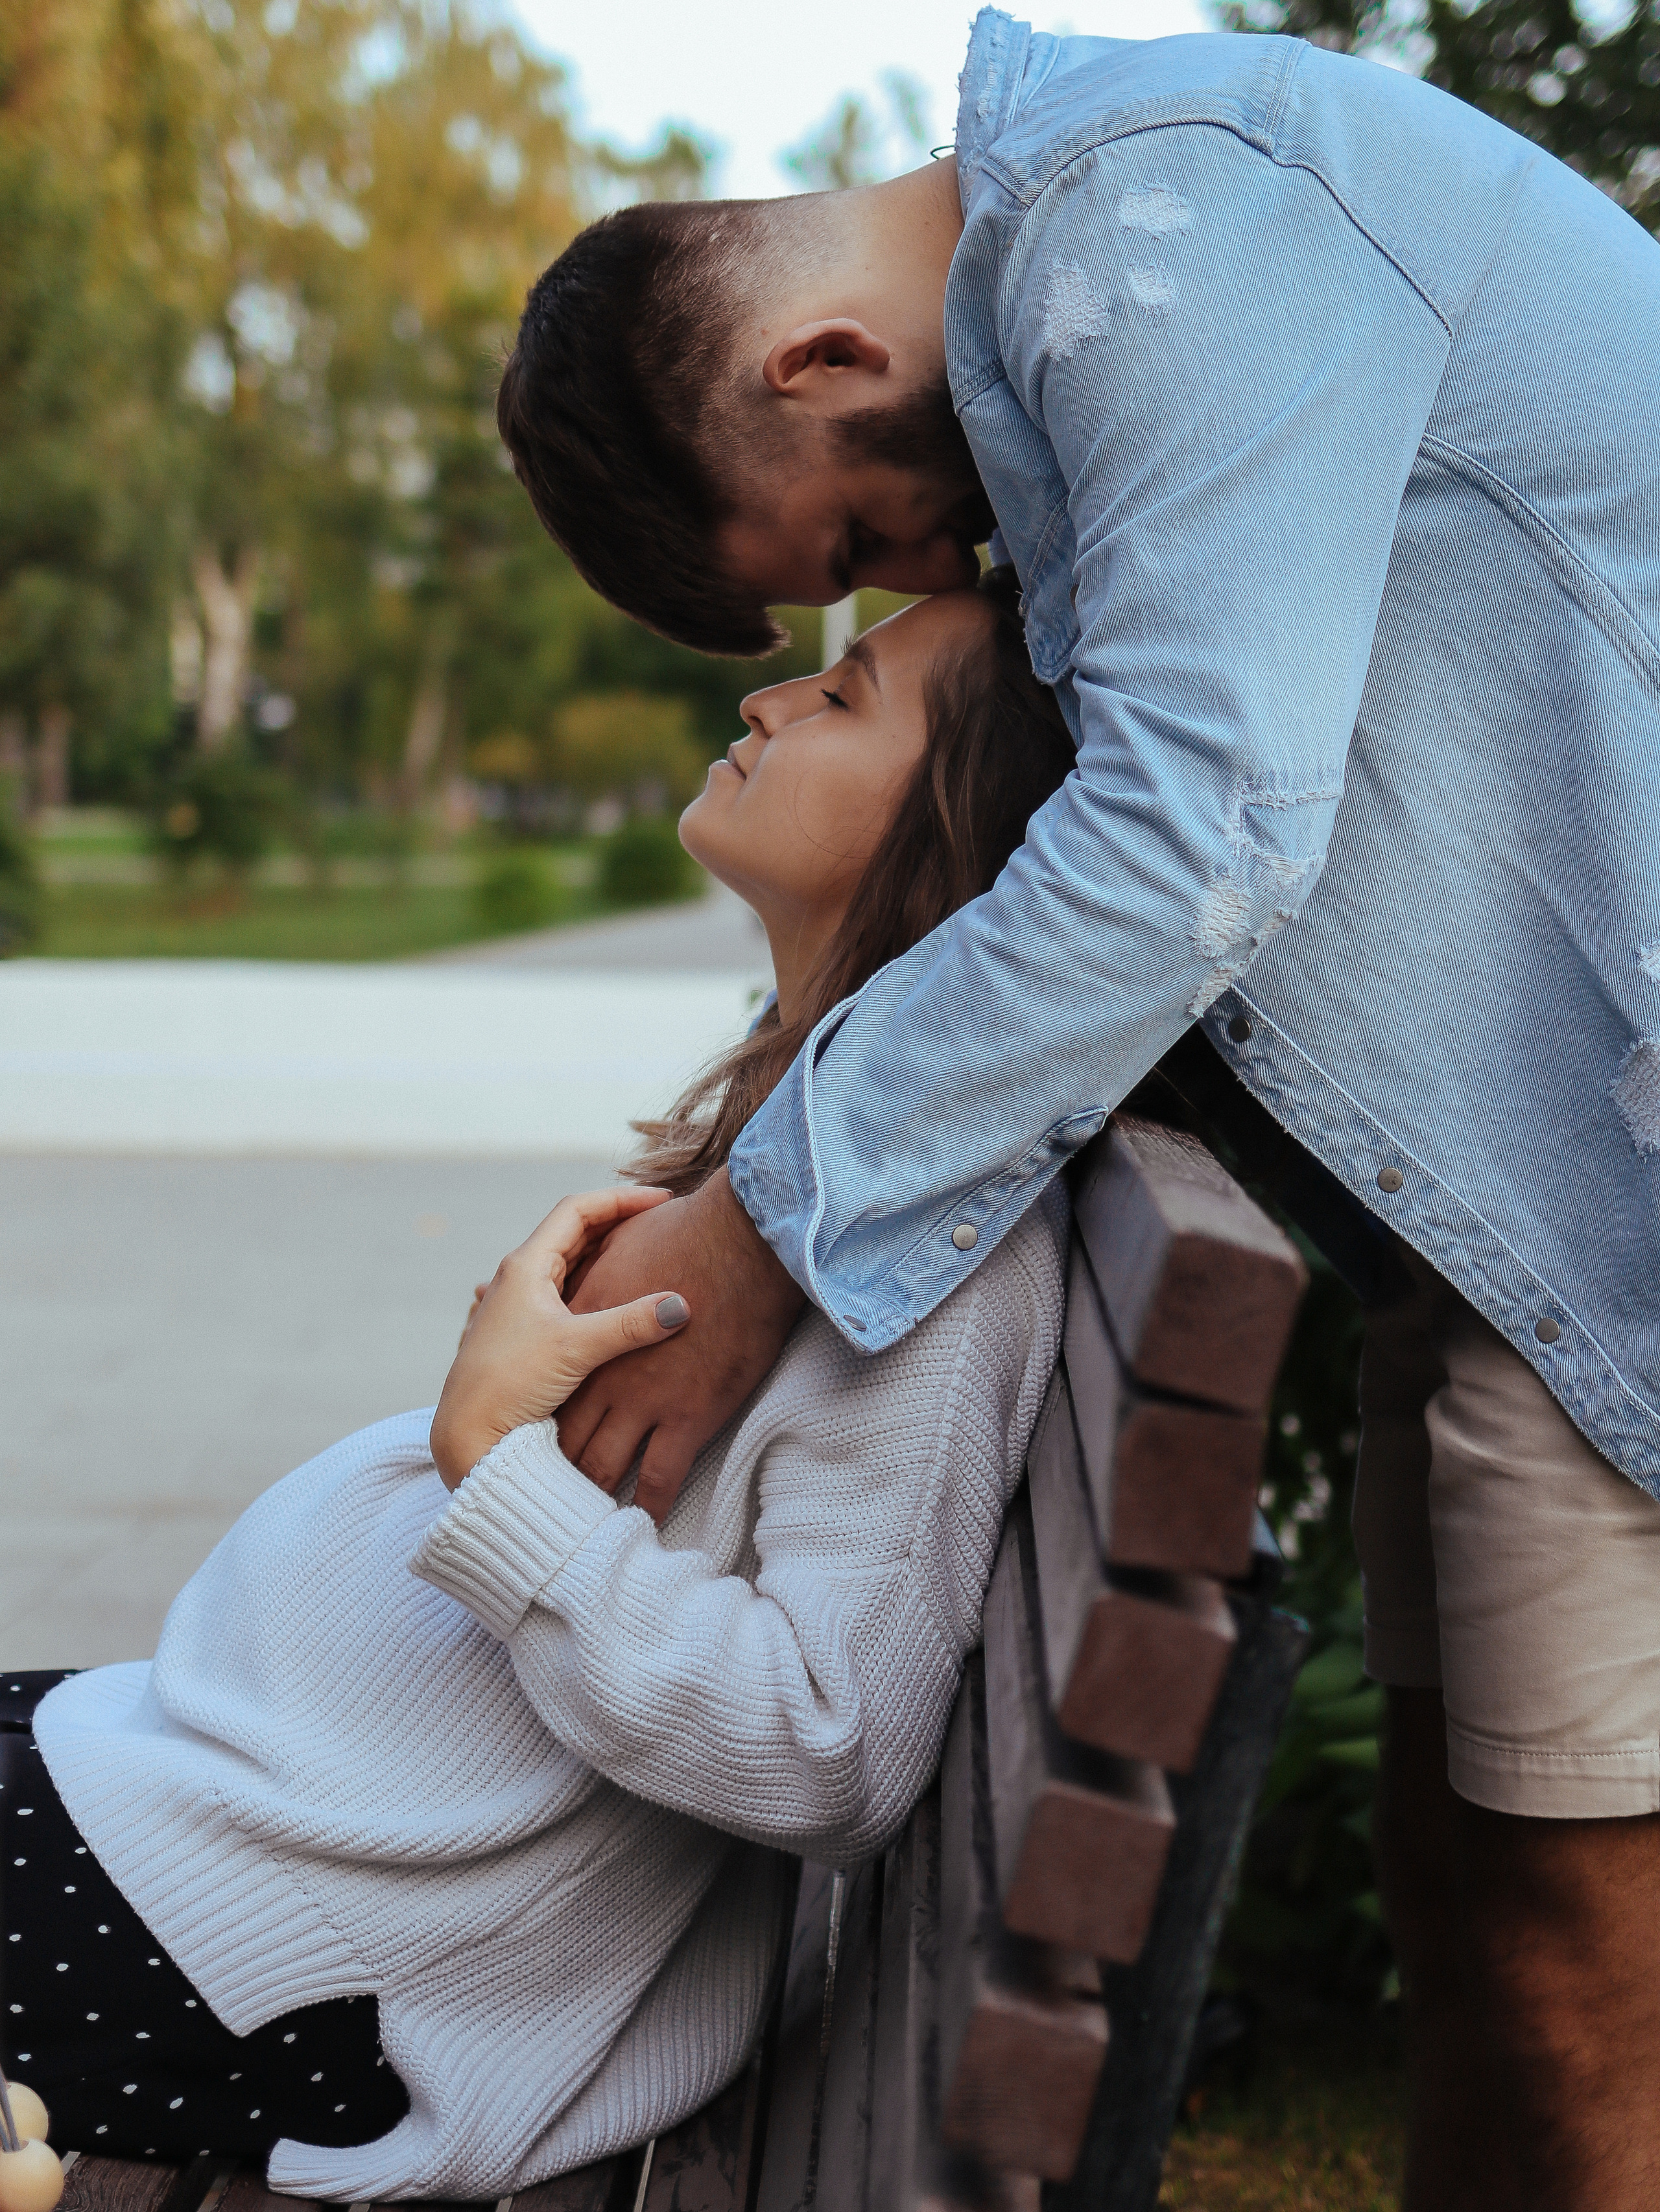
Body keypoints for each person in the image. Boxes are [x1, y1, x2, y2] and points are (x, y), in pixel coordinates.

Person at [494, 14, 1660, 2209]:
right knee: (1486, 1898)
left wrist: (762, 1228)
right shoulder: (1118, 258)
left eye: (853, 531)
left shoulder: (1169, 209)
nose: (924, 581)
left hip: (1613, 1209)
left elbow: (1196, 828)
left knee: (1575, 1964)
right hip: (1542, 1223)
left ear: (817, 360)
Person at [10, 578, 1077, 2202]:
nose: (765, 705)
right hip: (208, 1807)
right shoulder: (817, 1134)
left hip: (294, 1944)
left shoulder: (947, 1254)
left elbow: (829, 1743)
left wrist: (495, 1457)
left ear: (948, 836)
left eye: (841, 698)